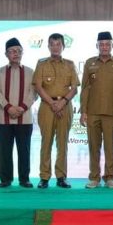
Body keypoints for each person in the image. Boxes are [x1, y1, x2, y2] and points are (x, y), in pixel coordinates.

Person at [79, 31, 113, 189]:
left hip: (111, 112)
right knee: (93, 147)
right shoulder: (90, 63)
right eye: (101, 44)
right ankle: (94, 177)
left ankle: (110, 177)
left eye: (107, 44)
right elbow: (85, 88)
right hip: (92, 112)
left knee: (109, 147)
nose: (104, 47)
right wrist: (83, 111)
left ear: (112, 45)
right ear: (97, 46)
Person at [33, 33, 79, 189]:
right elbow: (38, 87)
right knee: (46, 142)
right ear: (48, 46)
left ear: (63, 46)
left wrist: (62, 102)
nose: (55, 47)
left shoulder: (70, 64)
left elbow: (74, 88)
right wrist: (53, 104)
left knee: (62, 143)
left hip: (65, 106)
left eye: (58, 44)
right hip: (47, 106)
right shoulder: (41, 64)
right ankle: (44, 177)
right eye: (52, 44)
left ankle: (61, 177)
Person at [0, 37, 37, 188]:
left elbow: (34, 92)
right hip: (4, 117)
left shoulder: (30, 72)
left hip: (24, 117)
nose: (16, 53)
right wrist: (8, 107)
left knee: (24, 149)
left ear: (22, 53)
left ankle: (24, 179)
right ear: (6, 54)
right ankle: (6, 179)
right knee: (5, 149)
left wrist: (22, 108)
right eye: (12, 51)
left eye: (18, 51)